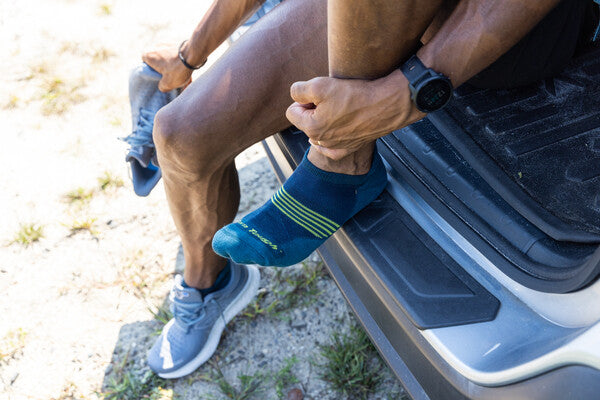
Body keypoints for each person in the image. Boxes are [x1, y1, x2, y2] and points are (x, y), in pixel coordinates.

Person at [143, 0, 597, 378]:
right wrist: (188, 57)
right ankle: (209, 283)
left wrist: (408, 91)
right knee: (180, 135)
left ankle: (342, 159)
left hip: (520, 23)